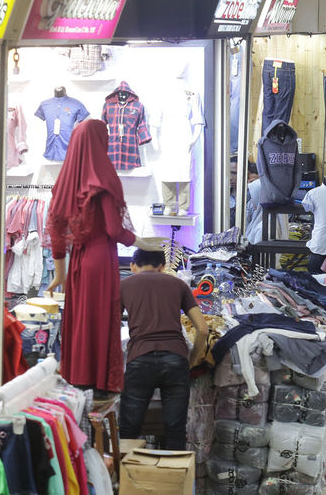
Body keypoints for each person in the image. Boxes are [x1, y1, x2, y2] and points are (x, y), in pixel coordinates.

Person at [46, 120, 162, 393]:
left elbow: (56, 229)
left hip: (78, 261)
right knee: (100, 319)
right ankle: (100, 382)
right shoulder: (104, 179)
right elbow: (114, 229)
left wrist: (59, 272)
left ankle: (79, 376)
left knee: (80, 321)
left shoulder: (66, 181)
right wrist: (145, 242)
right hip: (100, 259)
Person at [119, 248, 209, 450]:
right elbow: (203, 329)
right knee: (175, 429)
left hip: (139, 359)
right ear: (162, 267)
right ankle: (173, 478)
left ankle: (125, 479)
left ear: (133, 266)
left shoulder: (123, 285)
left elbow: (108, 328)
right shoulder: (179, 285)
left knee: (129, 428)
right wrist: (191, 360)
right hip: (176, 360)